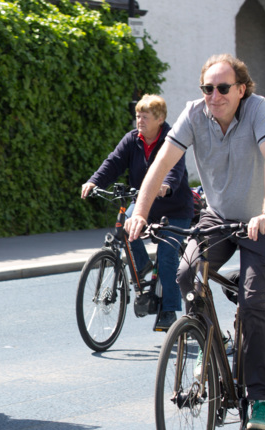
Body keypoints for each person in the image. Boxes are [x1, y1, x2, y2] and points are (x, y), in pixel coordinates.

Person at [123, 54, 265, 430]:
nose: (214, 95)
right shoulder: (195, 113)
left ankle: (262, 398)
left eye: (223, 88)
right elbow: (161, 163)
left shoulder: (258, 110)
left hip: (263, 219)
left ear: (241, 90)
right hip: (218, 216)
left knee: (252, 300)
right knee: (185, 274)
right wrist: (140, 212)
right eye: (208, 88)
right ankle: (208, 343)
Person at [81, 94, 194, 332]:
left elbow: (174, 170)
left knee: (166, 255)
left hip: (174, 208)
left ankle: (168, 310)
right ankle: (142, 267)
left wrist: (166, 186)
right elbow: (113, 162)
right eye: (137, 116)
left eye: (145, 117)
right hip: (144, 203)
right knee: (125, 227)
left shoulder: (172, 139)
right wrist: (94, 181)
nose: (139, 121)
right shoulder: (132, 140)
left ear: (160, 119)